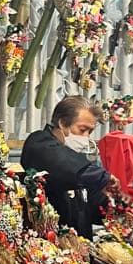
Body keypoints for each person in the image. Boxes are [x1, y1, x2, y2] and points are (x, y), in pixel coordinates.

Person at [21, 95, 115, 238]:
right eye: (82, 130)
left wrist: (111, 205)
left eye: (90, 132)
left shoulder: (76, 157)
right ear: (63, 123)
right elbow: (62, 164)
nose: (86, 137)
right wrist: (104, 178)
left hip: (79, 247)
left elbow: (92, 202)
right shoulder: (40, 143)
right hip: (51, 246)